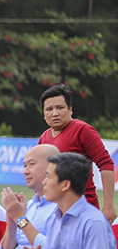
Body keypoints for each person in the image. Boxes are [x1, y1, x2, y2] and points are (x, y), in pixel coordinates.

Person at [38, 84, 116, 223]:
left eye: (60, 108)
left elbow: (106, 164)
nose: (54, 113)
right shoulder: (44, 138)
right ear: (44, 114)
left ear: (70, 109)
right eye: (49, 109)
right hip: (54, 212)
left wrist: (109, 205)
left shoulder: (83, 130)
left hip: (84, 210)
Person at [0, 144, 59, 249]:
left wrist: (20, 219)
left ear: (53, 167)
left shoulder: (60, 207)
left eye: (31, 165)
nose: (25, 171)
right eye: (24, 166)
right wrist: (11, 225)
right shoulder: (30, 206)